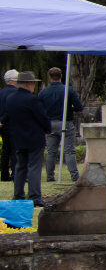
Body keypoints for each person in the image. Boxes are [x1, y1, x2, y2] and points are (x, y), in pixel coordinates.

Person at [4, 72, 51, 206]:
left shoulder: (10, 98)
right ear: (28, 84)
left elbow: (8, 116)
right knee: (34, 167)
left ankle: (18, 195)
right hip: (34, 137)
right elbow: (42, 117)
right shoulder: (32, 99)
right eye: (33, 84)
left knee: (20, 167)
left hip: (18, 137)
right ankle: (35, 197)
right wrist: (47, 129)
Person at [39, 67, 83, 182]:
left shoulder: (43, 92)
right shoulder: (68, 90)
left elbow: (39, 109)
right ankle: (74, 176)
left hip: (50, 124)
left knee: (51, 151)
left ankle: (49, 176)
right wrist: (69, 109)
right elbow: (79, 107)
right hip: (65, 122)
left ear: (49, 77)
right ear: (61, 76)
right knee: (69, 151)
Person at [0, 70, 18, 182]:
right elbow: (11, 109)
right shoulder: (16, 93)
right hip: (13, 125)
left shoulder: (1, 92)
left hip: (2, 126)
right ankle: (15, 174)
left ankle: (4, 175)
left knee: (5, 150)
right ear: (13, 80)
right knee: (15, 151)